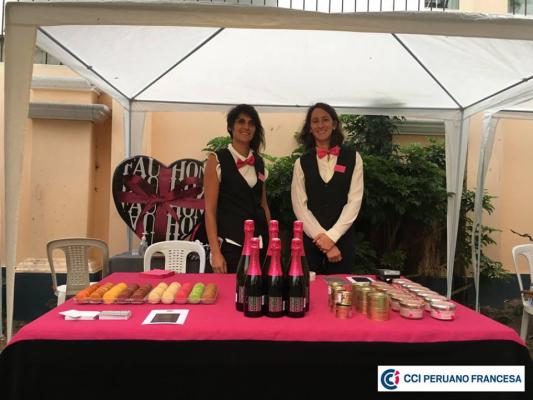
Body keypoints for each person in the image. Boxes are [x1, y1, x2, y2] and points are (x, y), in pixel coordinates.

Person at [291, 103, 364, 274]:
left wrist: (332, 237)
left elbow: (354, 201)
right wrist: (324, 241)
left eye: (325, 119)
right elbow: (299, 206)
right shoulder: (301, 163)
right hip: (310, 242)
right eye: (315, 121)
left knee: (340, 290)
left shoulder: (353, 158)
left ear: (334, 124)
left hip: (342, 241)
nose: (320, 125)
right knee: (309, 288)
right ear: (310, 128)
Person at [203, 104, 271, 273]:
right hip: (230, 246)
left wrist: (272, 240)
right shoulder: (216, 160)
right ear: (230, 127)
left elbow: (263, 205)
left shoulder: (259, 162)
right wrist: (215, 252)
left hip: (260, 244)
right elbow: (209, 211)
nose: (246, 127)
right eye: (241, 122)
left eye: (251, 123)